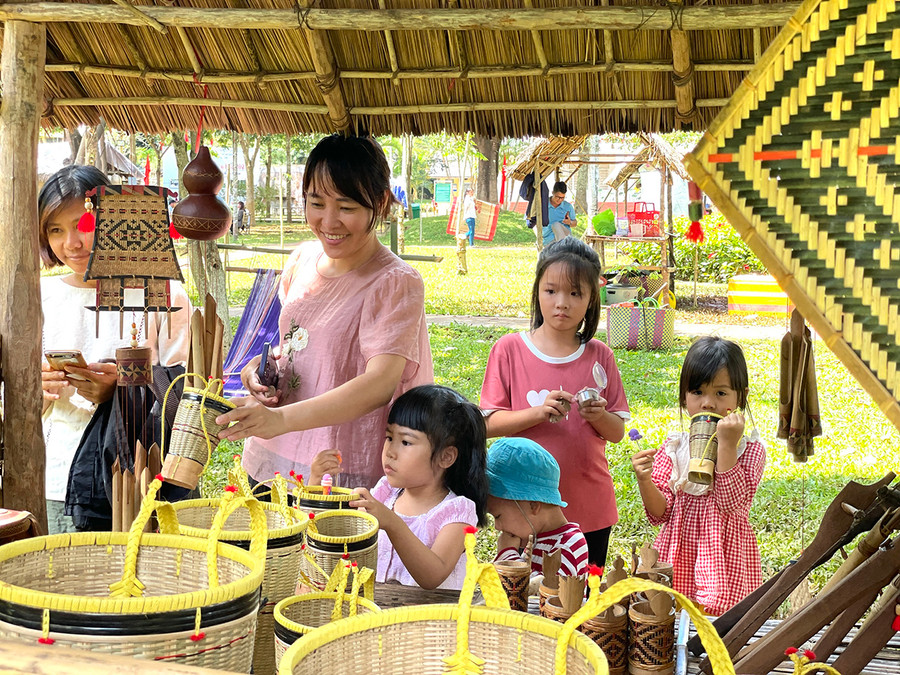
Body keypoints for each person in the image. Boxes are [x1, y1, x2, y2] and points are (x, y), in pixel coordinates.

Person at [217, 134, 434, 489]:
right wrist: (258, 368)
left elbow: (380, 384)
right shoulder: (302, 259)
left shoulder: (394, 282)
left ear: (379, 202)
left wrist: (282, 419)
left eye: (346, 207)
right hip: (275, 452)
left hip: (340, 464)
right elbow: (299, 347)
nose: (329, 222)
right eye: (316, 203)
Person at [38, 165, 191, 534]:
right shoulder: (39, 298)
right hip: (54, 480)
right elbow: (11, 401)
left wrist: (124, 388)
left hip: (138, 483)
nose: (71, 243)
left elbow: (189, 391)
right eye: (55, 230)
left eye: (83, 225)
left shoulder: (162, 294)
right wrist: (35, 391)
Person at [480, 237, 629, 566]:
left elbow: (617, 432)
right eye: (551, 291)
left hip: (590, 507)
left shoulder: (600, 355)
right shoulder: (509, 350)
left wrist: (598, 416)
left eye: (575, 293)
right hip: (524, 509)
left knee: (582, 592)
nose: (562, 303)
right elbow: (487, 425)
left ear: (591, 299)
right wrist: (537, 413)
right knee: (523, 589)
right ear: (537, 291)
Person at [630, 337, 765, 616]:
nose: (708, 403)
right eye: (697, 392)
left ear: (741, 397)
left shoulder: (748, 449)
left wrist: (726, 445)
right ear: (684, 397)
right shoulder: (676, 447)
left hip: (722, 559)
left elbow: (731, 503)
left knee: (717, 622)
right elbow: (661, 513)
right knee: (672, 613)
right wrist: (645, 481)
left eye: (721, 393)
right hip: (677, 552)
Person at [309, 385, 489, 591]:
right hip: (380, 608)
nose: (390, 452)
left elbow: (433, 576)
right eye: (389, 438)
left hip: (432, 612)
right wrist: (315, 485)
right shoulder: (385, 493)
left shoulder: (456, 512)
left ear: (445, 457)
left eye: (405, 442)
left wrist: (393, 524)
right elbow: (336, 535)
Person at [487, 437, 589, 578]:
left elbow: (545, 589)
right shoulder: (535, 539)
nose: (497, 527)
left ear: (533, 505)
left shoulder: (569, 545)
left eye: (498, 516)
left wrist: (507, 557)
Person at [545, 181, 577, 246]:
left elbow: (575, 223)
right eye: (557, 197)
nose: (560, 200)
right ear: (552, 192)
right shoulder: (543, 204)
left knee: (556, 225)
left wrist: (570, 222)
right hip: (548, 238)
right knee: (554, 225)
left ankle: (562, 247)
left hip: (565, 236)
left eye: (562, 198)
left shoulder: (567, 206)